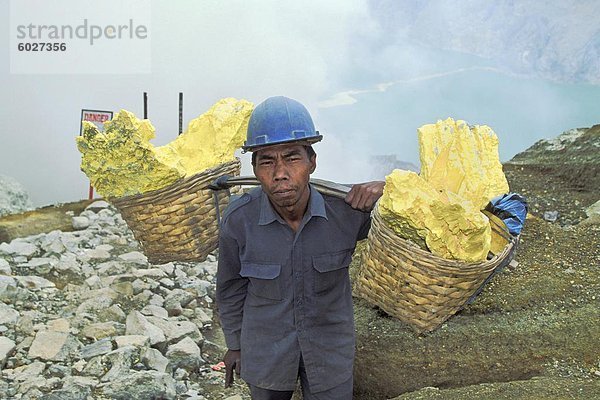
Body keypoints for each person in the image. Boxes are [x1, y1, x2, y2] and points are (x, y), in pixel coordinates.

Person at [216, 96, 385, 400]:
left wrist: (389, 191)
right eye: (267, 161)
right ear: (254, 168)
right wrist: (235, 345)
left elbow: (411, 224)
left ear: (312, 162)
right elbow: (229, 289)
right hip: (265, 351)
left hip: (329, 353)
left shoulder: (347, 213)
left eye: (292, 158)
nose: (280, 172)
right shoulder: (239, 221)